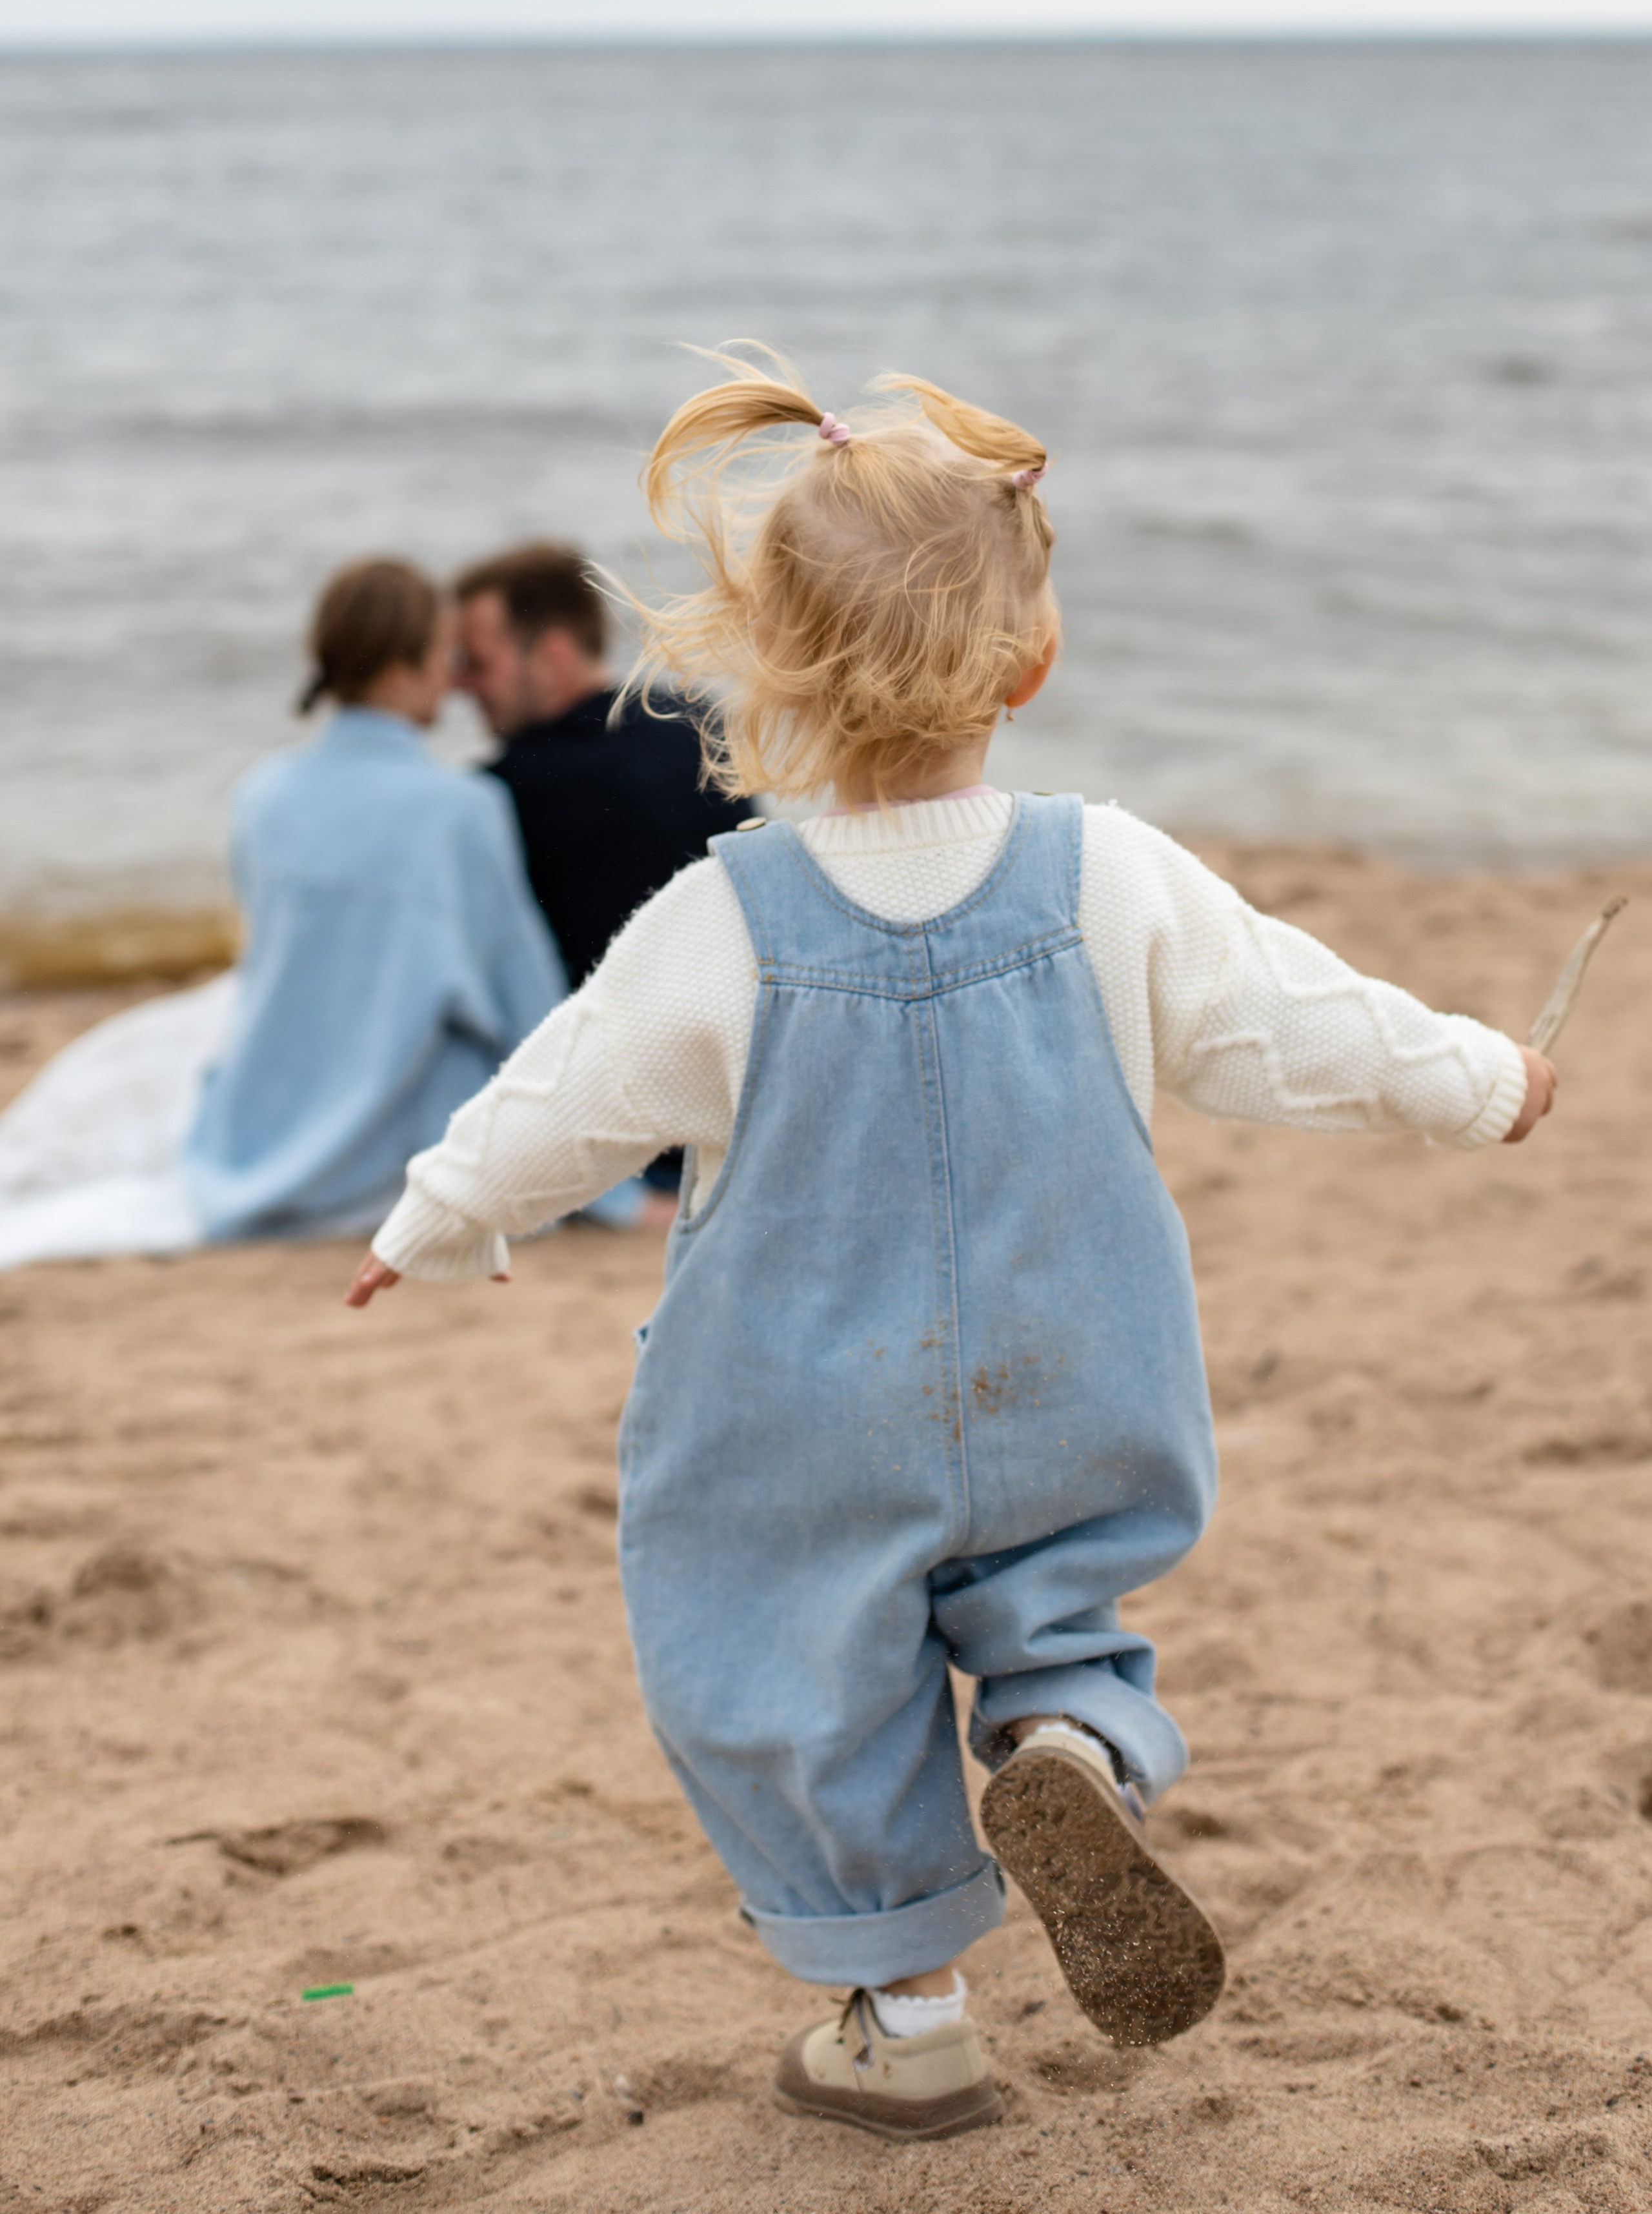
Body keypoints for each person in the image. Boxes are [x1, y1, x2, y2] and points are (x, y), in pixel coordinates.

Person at [346, 361, 1556, 2142]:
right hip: (1077, 1370)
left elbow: (569, 1096)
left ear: (768, 667)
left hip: (799, 1409)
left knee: (795, 1668)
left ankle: (905, 2015)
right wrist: (1484, 1079)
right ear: (1032, 657)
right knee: (1059, 1609)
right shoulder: (1108, 873)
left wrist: (436, 1216)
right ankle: (1068, 1747)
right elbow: (1306, 1023)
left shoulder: (722, 919)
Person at [183, 556, 564, 1240]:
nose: (452, 681)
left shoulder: (259, 795)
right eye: (442, 657)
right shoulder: (464, 808)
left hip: (255, 1127)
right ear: (397, 673)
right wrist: (610, 1190)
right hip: (393, 1136)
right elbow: (523, 997)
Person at [450, 540, 754, 1222]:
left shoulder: (502, 795)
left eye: (477, 663)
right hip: (731, 1108)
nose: (460, 685)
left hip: (612, 1135)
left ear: (551, 655)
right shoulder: (699, 724)